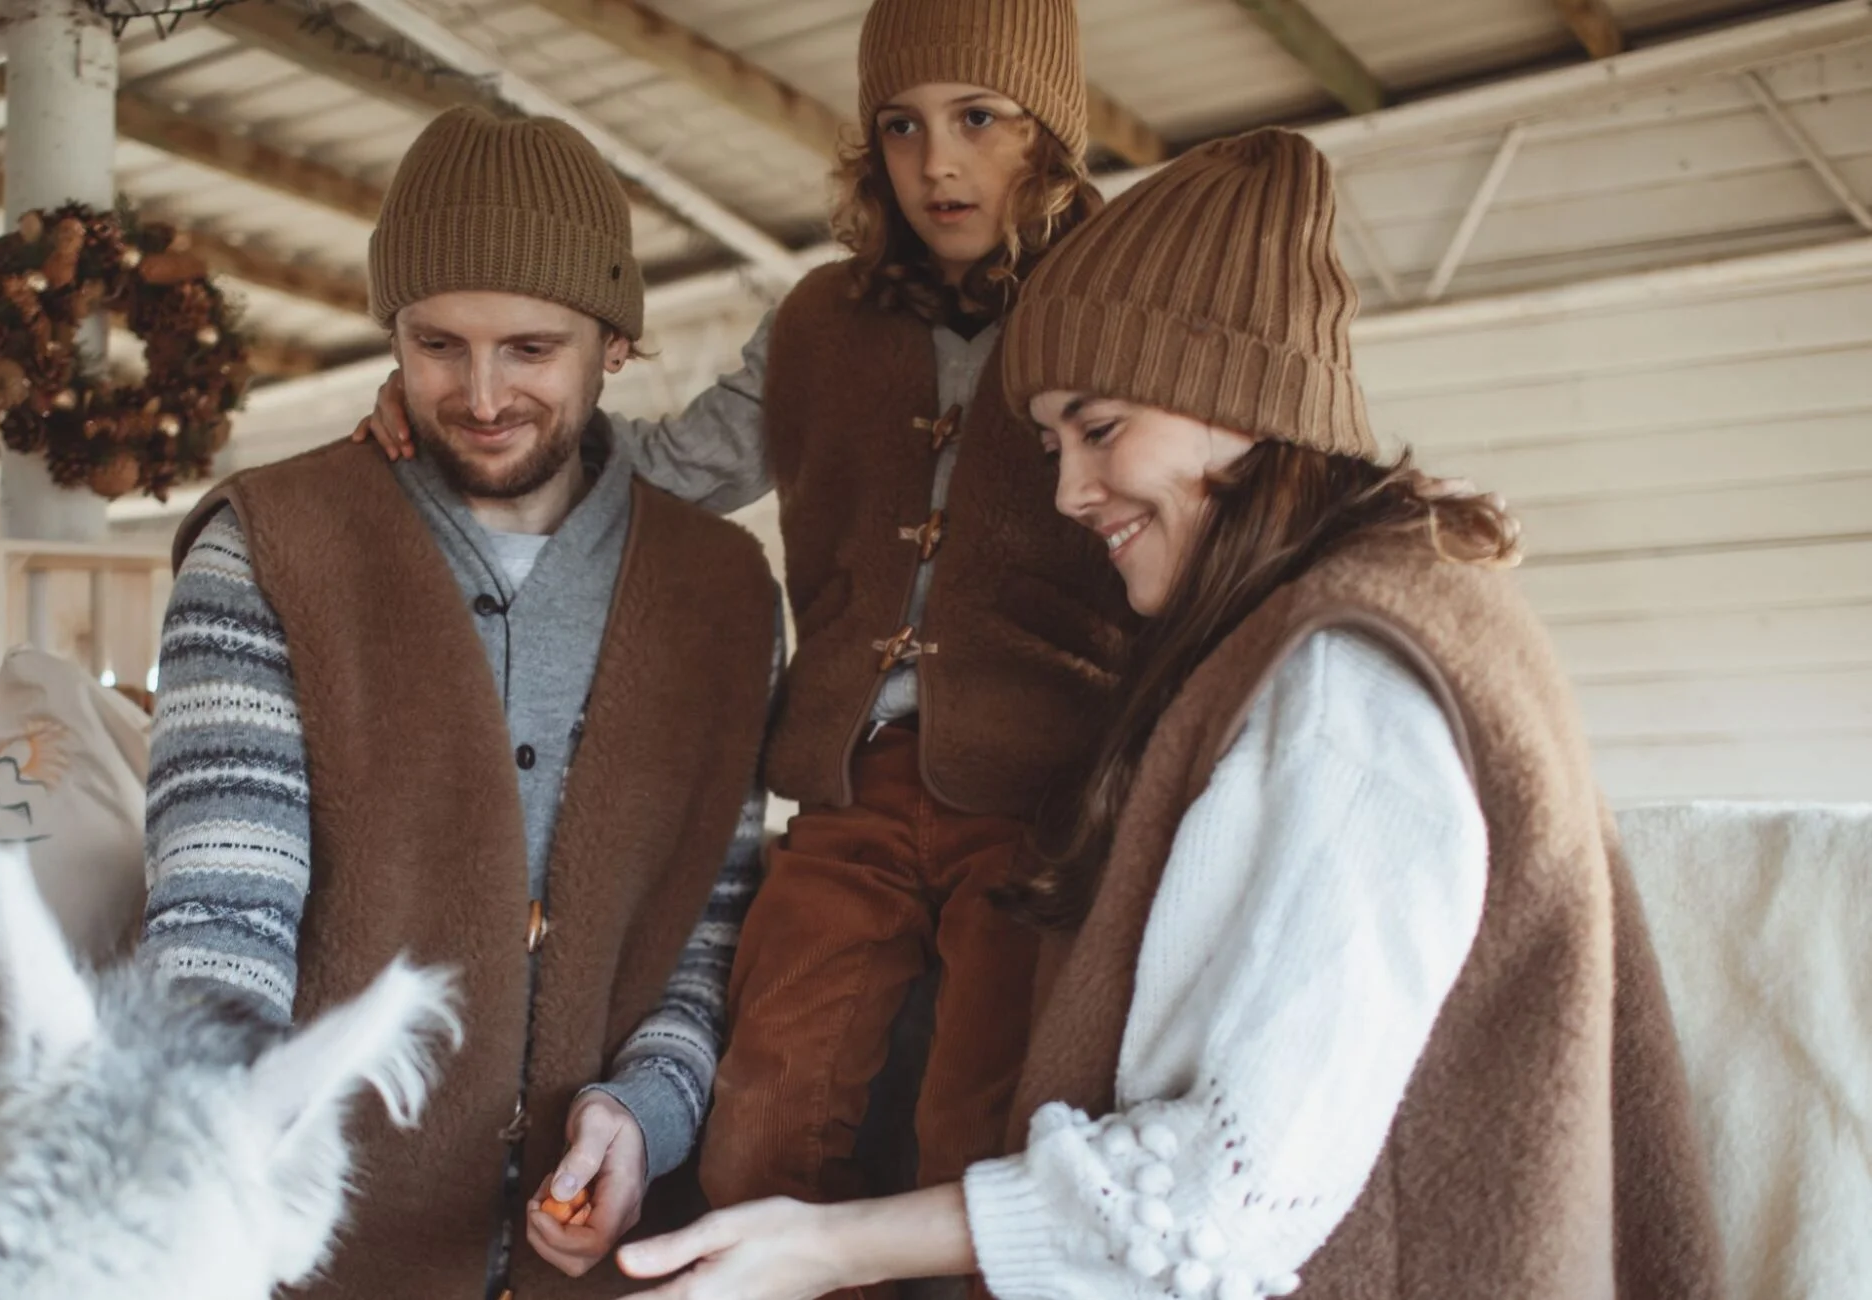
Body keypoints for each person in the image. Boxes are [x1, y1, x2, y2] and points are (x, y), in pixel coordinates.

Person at [607, 129, 1727, 1300]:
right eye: (1051, 445)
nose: (1067, 491)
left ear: (1241, 397)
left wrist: (832, 1244)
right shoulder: (1327, 625)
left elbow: (1224, 1193)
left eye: (1100, 429)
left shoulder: (1348, 679)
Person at [358, 0, 1138, 1236]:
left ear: (1050, 130)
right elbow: (673, 470)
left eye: (980, 119)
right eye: (901, 125)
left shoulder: (1118, 300)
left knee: (981, 1117)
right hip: (848, 787)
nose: (937, 162)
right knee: (767, 1113)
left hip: (1041, 791)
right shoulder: (823, 320)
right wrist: (469, 419)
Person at [139, 105, 779, 1297]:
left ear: (615, 343)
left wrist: (643, 1116)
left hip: (612, 1261)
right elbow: (219, 918)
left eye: (531, 348)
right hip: (309, 1259)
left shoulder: (726, 594)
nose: (482, 396)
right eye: (438, 344)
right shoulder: (268, 549)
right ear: (391, 332)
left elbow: (709, 932)